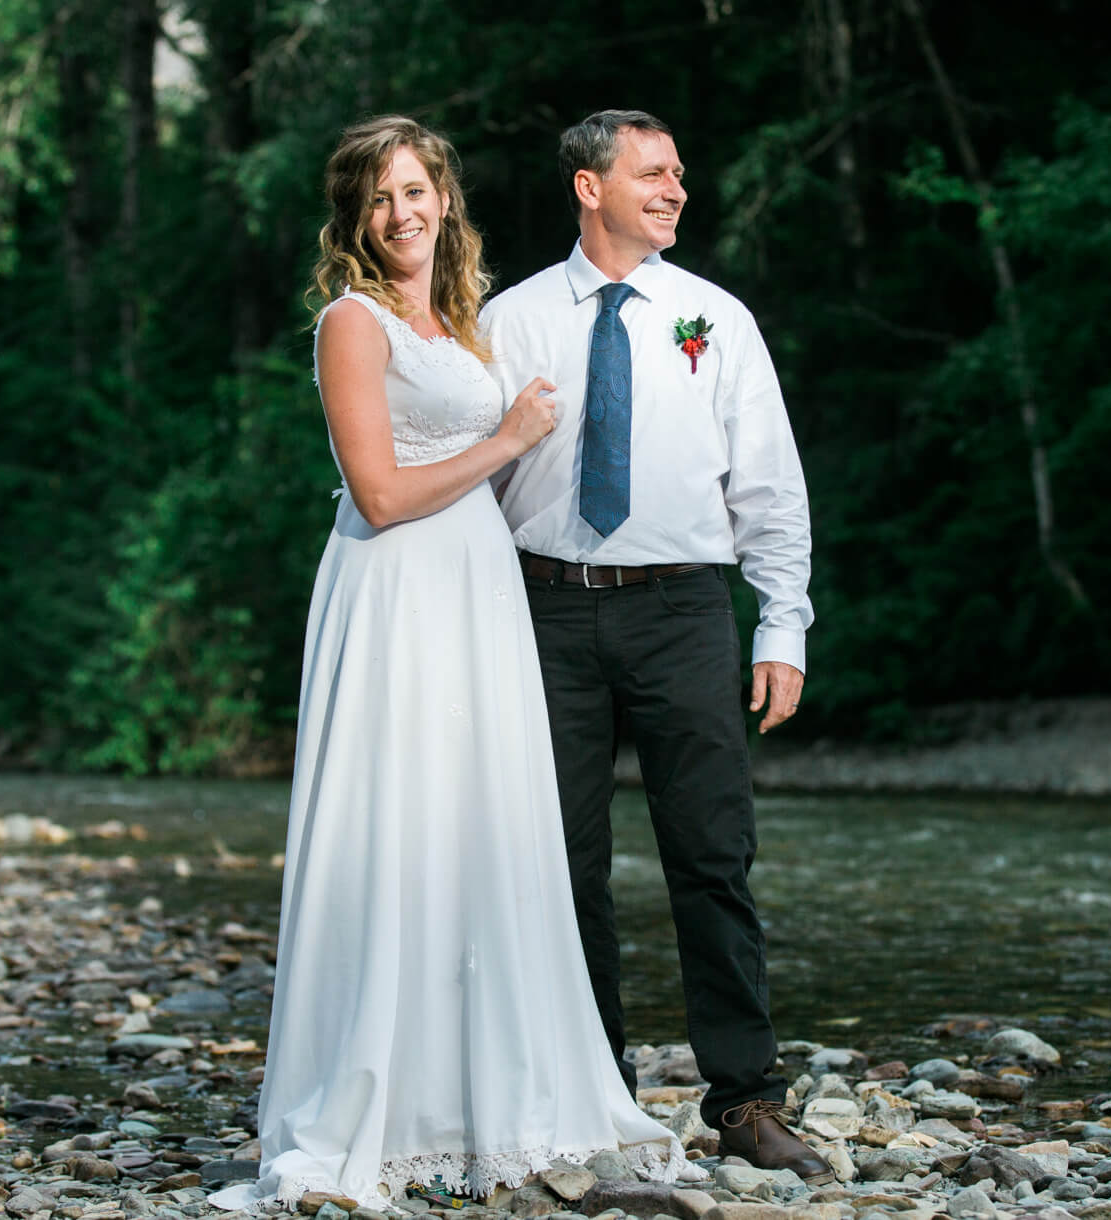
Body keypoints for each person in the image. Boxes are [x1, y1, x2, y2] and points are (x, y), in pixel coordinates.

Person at [206, 115, 695, 1214]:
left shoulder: (462, 321)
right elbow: (379, 494)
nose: (401, 213)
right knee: (401, 829)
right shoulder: (352, 320)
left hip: (477, 599)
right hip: (398, 602)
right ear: (356, 216)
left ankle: (482, 1097)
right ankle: (381, 1101)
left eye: (416, 190)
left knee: (477, 831)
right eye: (380, 198)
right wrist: (508, 441)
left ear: (444, 199)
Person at [479, 110, 825, 1182]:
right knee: (558, 861)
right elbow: (470, 477)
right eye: (653, 173)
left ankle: (747, 1096)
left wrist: (782, 622)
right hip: (542, 612)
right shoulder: (510, 319)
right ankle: (590, 1089)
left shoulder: (717, 320)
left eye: (680, 172)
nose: (678, 188)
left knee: (713, 855)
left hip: (683, 612)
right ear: (590, 187)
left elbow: (768, 484)